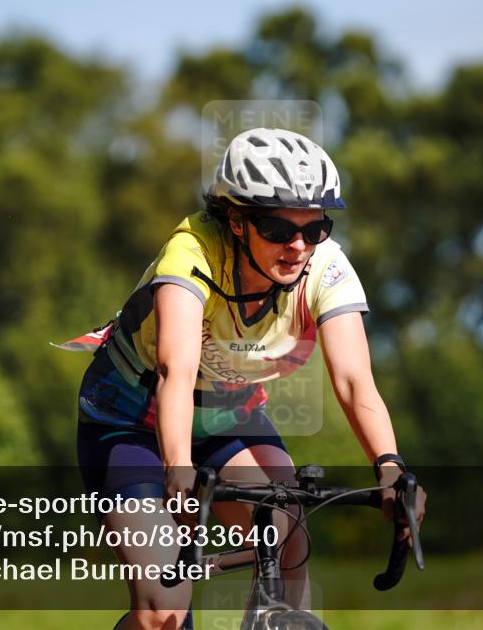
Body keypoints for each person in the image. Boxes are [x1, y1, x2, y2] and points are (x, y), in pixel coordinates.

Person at [62, 127, 426, 630]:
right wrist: (178, 469)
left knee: (288, 530)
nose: (299, 246)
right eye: (278, 229)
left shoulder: (325, 267)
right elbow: (175, 371)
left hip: (227, 416)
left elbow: (354, 381)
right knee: (164, 609)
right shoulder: (191, 254)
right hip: (131, 422)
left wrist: (390, 467)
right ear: (236, 220)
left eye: (315, 228)